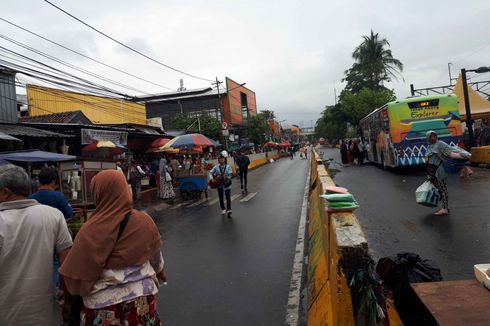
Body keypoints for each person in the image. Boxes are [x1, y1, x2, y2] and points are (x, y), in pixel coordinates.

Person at [59, 170, 165, 326]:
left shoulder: (89, 230)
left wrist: (68, 303)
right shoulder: (144, 221)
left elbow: (74, 273)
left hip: (102, 305)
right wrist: (160, 274)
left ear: (98, 193)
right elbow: (156, 259)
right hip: (141, 296)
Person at [0, 164, 73, 325]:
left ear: (5, 192)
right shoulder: (53, 215)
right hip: (46, 316)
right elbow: (66, 264)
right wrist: (67, 301)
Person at [29, 166, 73, 291]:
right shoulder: (58, 196)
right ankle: (55, 287)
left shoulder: (31, 197)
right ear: (54, 181)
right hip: (55, 235)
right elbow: (69, 213)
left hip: (36, 234)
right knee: (56, 260)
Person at [426, 131, 451, 216]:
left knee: (443, 190)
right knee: (440, 190)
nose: (433, 138)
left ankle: (445, 209)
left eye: (434, 136)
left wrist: (441, 156)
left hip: (439, 170)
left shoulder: (440, 144)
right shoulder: (430, 146)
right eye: (431, 136)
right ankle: (445, 207)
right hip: (433, 171)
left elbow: (449, 152)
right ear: (428, 138)